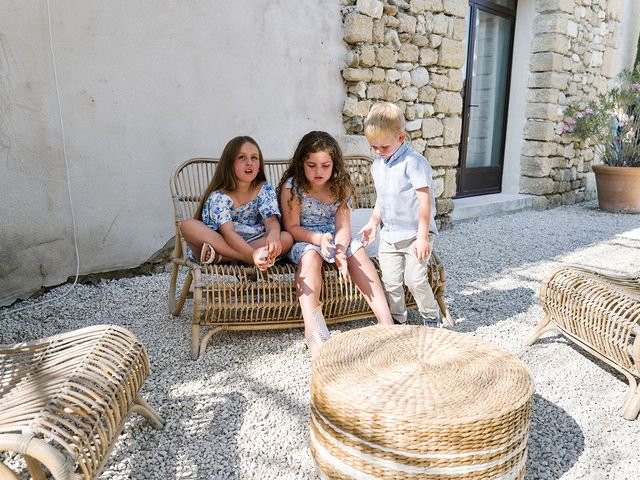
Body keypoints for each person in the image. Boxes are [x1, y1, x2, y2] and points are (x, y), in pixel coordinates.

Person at [279, 131, 393, 356]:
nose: (318, 171)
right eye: (311, 165)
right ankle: (313, 331)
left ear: (334, 165)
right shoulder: (292, 188)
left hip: (334, 236)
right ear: (301, 164)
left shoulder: (340, 185)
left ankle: (386, 322)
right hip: (305, 238)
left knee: (357, 250)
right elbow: (291, 228)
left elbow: (343, 225)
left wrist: (340, 250)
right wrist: (318, 239)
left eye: (325, 165)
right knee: (310, 256)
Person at [360, 102, 441, 327]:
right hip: (390, 235)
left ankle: (431, 316)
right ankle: (397, 321)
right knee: (391, 282)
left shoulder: (414, 163)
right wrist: (373, 222)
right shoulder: (378, 165)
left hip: (416, 234)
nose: (377, 152)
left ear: (401, 137)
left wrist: (423, 237)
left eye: (383, 147)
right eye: (373, 146)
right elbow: (383, 199)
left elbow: (425, 202)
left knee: (414, 280)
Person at [180, 136, 293, 271]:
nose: (249, 162)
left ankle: (222, 258)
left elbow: (271, 221)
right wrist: (252, 255)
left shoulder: (264, 189)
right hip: (223, 241)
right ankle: (249, 259)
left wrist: (273, 237)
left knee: (286, 238)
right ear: (229, 164)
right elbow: (229, 233)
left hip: (253, 240)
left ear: (259, 166)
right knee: (187, 225)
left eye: (254, 158)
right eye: (242, 158)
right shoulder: (219, 196)